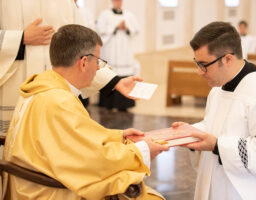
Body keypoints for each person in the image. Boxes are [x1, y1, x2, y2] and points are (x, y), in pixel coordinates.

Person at [3, 24, 168, 200]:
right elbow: (94, 161)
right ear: (83, 62)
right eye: (98, 62)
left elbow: (73, 139)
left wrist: (117, 136)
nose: (98, 68)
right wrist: (142, 151)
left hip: (27, 185)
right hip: (50, 193)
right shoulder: (59, 100)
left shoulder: (43, 85)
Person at [173, 21, 256, 200]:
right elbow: (215, 126)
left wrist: (217, 145)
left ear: (228, 59)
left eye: (203, 64)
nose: (199, 72)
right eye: (197, 63)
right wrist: (192, 133)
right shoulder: (217, 90)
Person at [0, 0, 140, 136]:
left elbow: (83, 45)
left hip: (56, 93)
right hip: (13, 88)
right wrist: (20, 38)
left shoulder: (65, 2)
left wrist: (114, 81)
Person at [96, 0, 140, 112]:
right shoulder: (104, 15)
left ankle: (124, 104)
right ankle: (108, 104)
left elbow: (136, 30)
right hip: (111, 52)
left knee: (125, 75)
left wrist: (126, 28)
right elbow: (100, 31)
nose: (118, 2)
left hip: (125, 53)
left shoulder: (129, 15)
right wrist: (115, 27)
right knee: (111, 74)